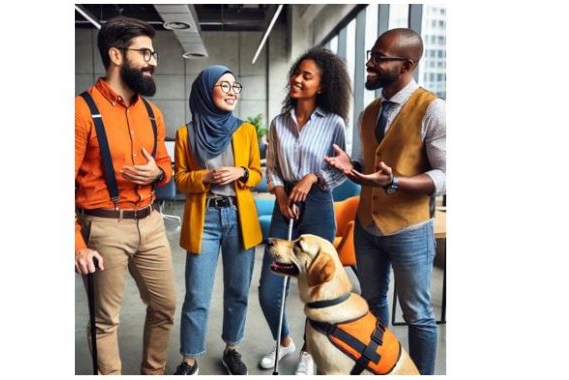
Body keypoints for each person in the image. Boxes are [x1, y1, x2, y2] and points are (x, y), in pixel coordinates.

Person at [325, 28, 446, 375]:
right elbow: (371, 165)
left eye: (379, 58)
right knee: (372, 303)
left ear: (406, 64)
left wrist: (395, 181)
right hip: (367, 227)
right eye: (371, 55)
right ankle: (381, 366)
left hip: (409, 229)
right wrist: (353, 167)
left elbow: (445, 176)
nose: (370, 63)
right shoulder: (370, 111)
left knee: (417, 314)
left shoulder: (433, 110)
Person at [74, 16, 176, 375]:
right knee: (106, 321)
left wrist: (158, 173)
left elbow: (167, 165)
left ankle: (154, 372)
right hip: (104, 229)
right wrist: (77, 244)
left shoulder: (153, 113)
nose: (153, 61)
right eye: (145, 52)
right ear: (116, 55)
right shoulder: (80, 111)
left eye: (154, 54)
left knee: (164, 306)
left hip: (150, 222)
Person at [258, 48, 351, 375]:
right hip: (284, 208)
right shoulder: (277, 123)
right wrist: (281, 194)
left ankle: (310, 352)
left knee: (316, 289)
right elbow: (271, 169)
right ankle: (284, 343)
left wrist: (312, 178)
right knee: (269, 291)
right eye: (296, 73)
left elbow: (342, 168)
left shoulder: (334, 123)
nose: (296, 79)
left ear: (322, 86)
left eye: (306, 76)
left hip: (318, 206)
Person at [172, 65, 263, 376]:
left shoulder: (246, 130)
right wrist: (206, 176)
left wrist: (242, 172)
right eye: (223, 86)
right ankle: (189, 359)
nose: (232, 91)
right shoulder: (186, 133)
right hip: (205, 217)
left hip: (239, 217)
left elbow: (257, 173)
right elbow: (180, 179)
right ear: (205, 90)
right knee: (197, 293)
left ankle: (232, 348)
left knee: (238, 290)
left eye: (235, 86)